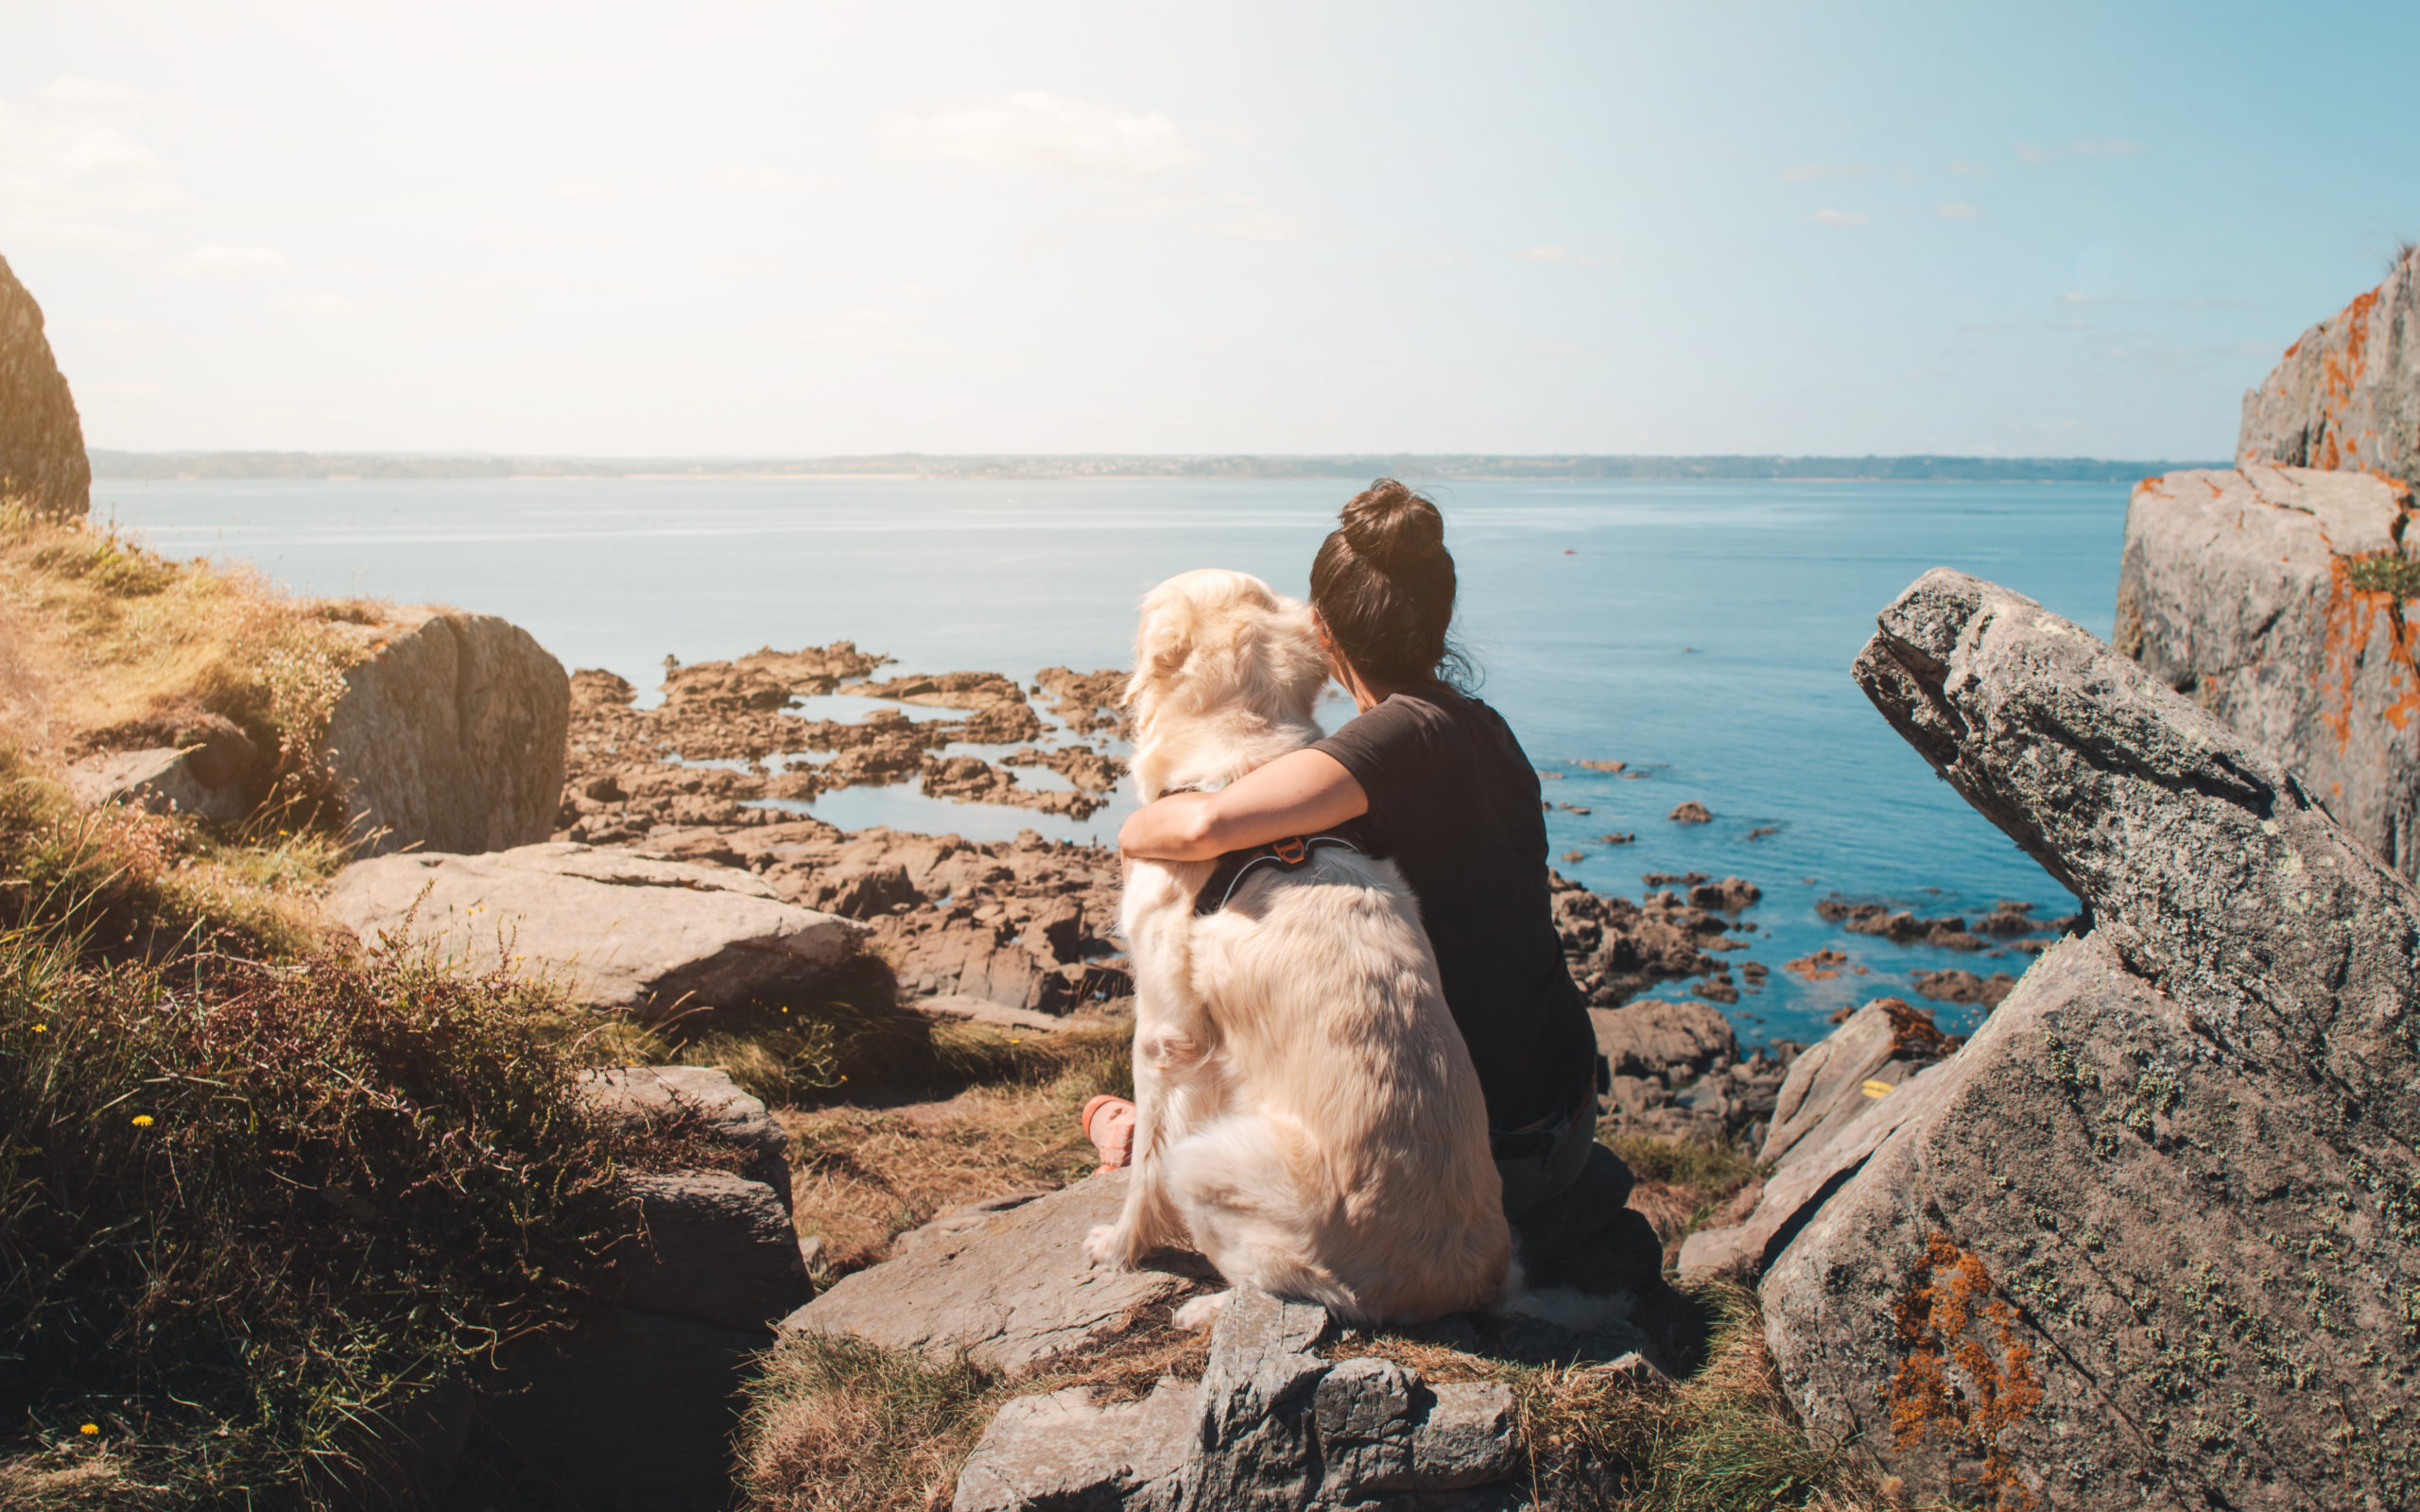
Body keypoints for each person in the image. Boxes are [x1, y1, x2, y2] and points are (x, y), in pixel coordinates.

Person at [1082, 479, 1659, 1298]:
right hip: (1560, 1114)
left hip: (1483, 1148)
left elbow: (1201, 829)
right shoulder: (1478, 724)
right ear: (1439, 618)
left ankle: (1134, 1146)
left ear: (1321, 630)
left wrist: (1140, 829)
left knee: (1179, 1090)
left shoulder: (1388, 742)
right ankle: (1131, 1131)